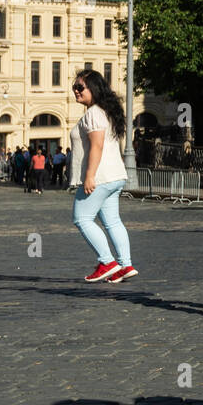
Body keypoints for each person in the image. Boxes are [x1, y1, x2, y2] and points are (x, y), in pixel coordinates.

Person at [69, 70, 135, 283]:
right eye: (75, 87)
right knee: (113, 222)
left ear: (94, 89)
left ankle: (107, 261)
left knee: (82, 218)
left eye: (80, 88)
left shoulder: (93, 113)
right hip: (115, 175)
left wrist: (89, 176)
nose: (76, 91)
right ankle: (125, 265)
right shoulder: (105, 111)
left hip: (100, 177)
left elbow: (96, 147)